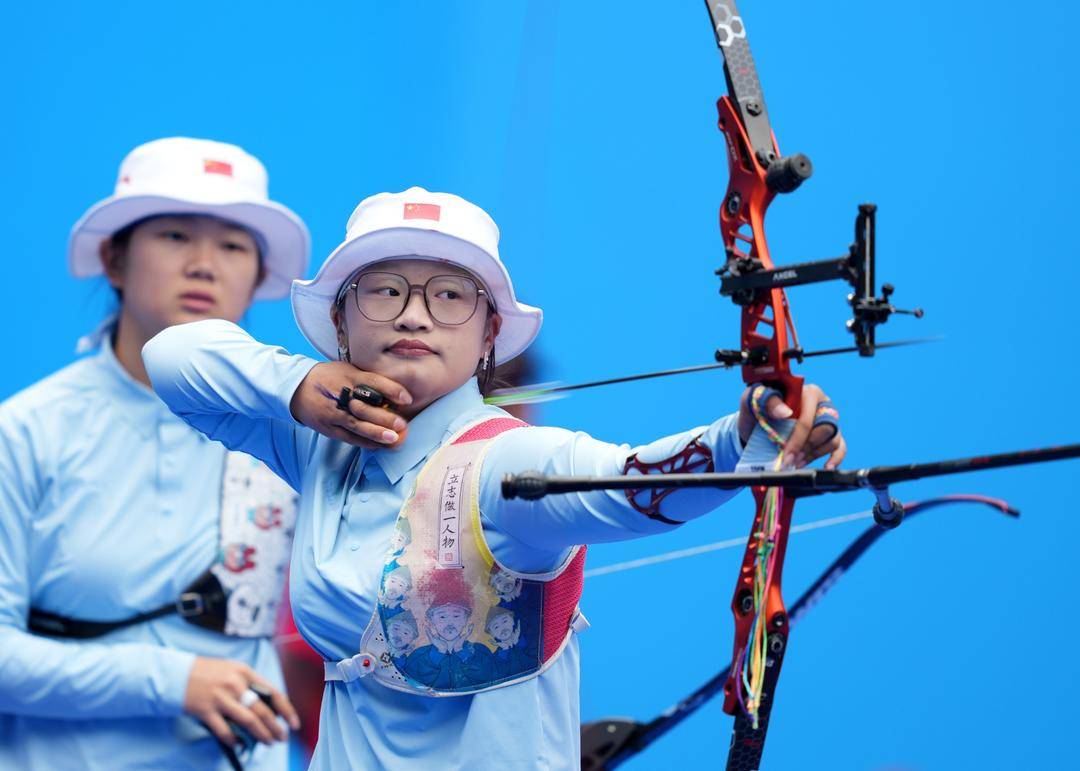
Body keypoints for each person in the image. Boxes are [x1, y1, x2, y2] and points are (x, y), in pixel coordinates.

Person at [143, 186, 845, 769]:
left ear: (488, 336)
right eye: (384, 290)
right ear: (340, 318)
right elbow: (171, 357)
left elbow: (625, 480)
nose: (415, 312)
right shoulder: (318, 442)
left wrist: (741, 438)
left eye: (451, 295)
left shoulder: (505, 464)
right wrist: (299, 383)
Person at [0, 137, 308, 770]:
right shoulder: (27, 430)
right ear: (114, 260)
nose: (204, 265)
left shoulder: (295, 428)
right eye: (173, 236)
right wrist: (170, 679)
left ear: (257, 277)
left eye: (232, 245)